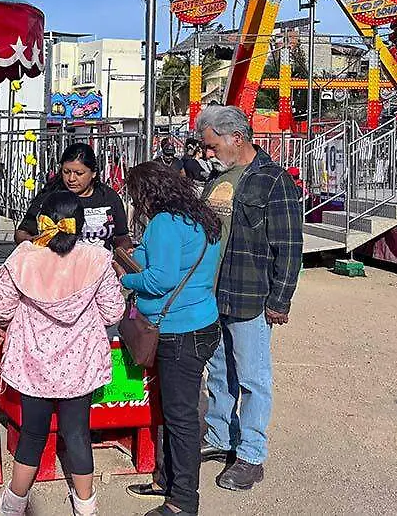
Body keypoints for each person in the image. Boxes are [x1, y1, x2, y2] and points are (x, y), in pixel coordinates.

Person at [0, 190, 125, 516]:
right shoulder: (96, 260)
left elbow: (1, 308)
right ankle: (86, 506)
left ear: (43, 221)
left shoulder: (23, 257)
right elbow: (113, 312)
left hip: (32, 361)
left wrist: (10, 321)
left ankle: (14, 502)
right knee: (77, 432)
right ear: (80, 223)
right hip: (79, 362)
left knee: (33, 432)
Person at [196, 105, 303, 492]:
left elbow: (290, 245)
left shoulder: (273, 182)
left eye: (211, 146)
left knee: (253, 378)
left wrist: (280, 299)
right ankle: (221, 437)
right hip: (213, 295)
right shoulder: (216, 182)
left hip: (251, 295)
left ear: (236, 138)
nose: (207, 154)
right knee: (220, 372)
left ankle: (251, 454)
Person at [119, 163, 223, 516]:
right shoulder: (199, 218)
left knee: (180, 418)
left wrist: (127, 280)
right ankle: (167, 478)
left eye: (135, 195)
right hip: (203, 321)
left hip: (178, 330)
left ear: (147, 194)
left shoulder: (164, 222)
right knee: (179, 410)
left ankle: (183, 502)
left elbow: (160, 280)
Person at [15, 143, 130, 251]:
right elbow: (22, 233)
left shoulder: (109, 197)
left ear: (93, 173)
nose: (71, 179)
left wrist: (121, 253)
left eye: (79, 173)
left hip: (99, 267)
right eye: (66, 172)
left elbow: (122, 237)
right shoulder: (50, 197)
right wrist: (37, 243)